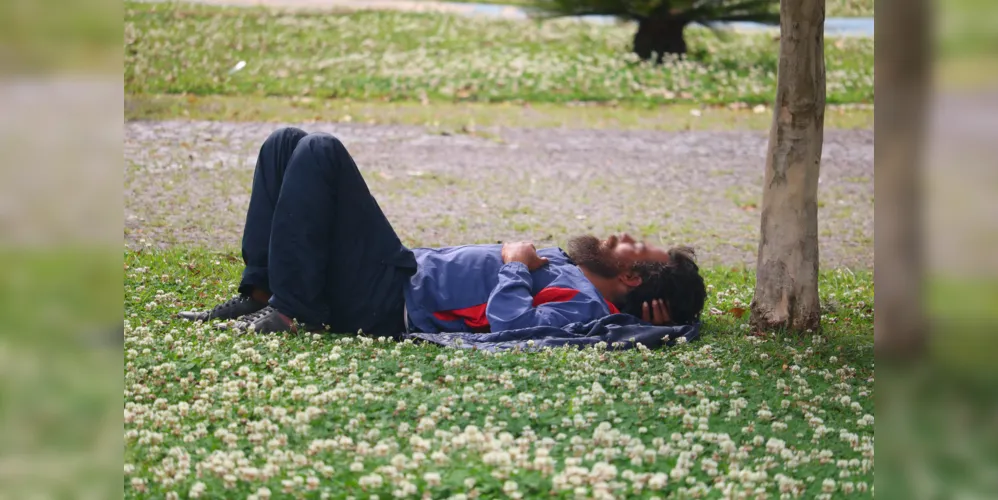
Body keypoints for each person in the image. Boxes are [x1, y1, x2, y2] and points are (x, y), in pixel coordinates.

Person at [178, 128, 706, 335]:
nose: (621, 236)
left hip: (386, 299)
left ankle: (295, 313)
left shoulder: (585, 305)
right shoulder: (578, 271)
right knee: (284, 144)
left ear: (633, 278)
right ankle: (262, 293)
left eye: (633, 246)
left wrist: (517, 267)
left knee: (321, 151)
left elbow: (513, 327)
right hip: (396, 269)